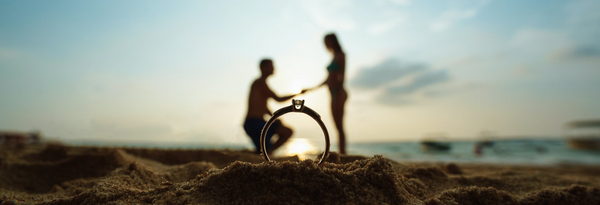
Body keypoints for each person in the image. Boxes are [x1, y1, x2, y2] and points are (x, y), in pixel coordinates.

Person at [244, 59, 304, 153]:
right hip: (254, 124)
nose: (273, 68)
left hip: (259, 122)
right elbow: (279, 99)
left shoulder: (261, 84)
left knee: (287, 131)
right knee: (264, 149)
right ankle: (268, 152)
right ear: (263, 68)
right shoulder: (260, 83)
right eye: (270, 66)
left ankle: (267, 152)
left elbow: (263, 107)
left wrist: (274, 118)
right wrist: (298, 93)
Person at [304, 33, 348, 154]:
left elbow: (342, 76)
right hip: (333, 93)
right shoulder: (333, 56)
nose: (326, 44)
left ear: (334, 41)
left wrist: (337, 91)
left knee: (339, 125)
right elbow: (328, 79)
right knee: (336, 125)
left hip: (339, 93)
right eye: (325, 42)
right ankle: (342, 151)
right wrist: (312, 88)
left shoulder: (341, 55)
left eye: (328, 41)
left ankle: (343, 153)